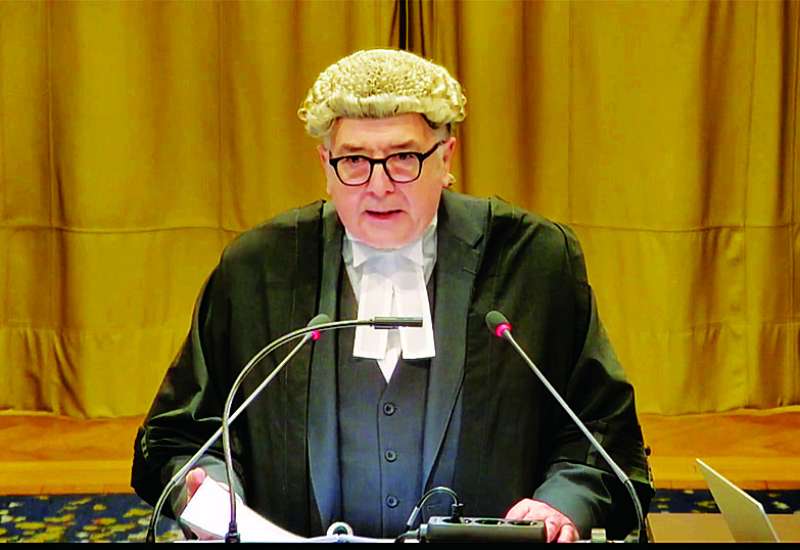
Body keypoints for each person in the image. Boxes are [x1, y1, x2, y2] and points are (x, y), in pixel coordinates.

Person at [131, 48, 654, 543]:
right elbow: (181, 437)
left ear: (446, 158)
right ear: (325, 164)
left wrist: (562, 505)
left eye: (404, 157)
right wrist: (209, 492)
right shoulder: (258, 268)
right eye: (354, 160)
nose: (378, 185)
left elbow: (601, 434)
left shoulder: (532, 261)